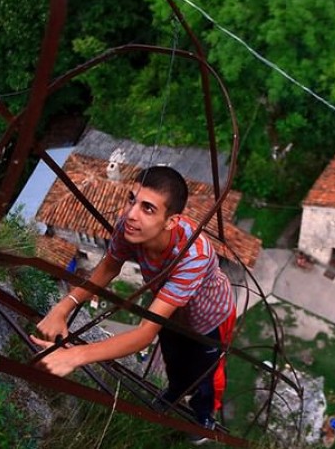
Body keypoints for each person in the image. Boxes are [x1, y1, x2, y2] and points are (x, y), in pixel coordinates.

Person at [31, 166, 236, 443]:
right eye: (132, 199)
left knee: (207, 371)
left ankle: (204, 416)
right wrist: (62, 308)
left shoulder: (193, 255)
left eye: (148, 208)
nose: (131, 214)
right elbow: (108, 268)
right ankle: (174, 393)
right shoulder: (129, 228)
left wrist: (75, 355)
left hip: (210, 318)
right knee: (173, 358)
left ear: (171, 221)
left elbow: (143, 334)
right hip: (169, 312)